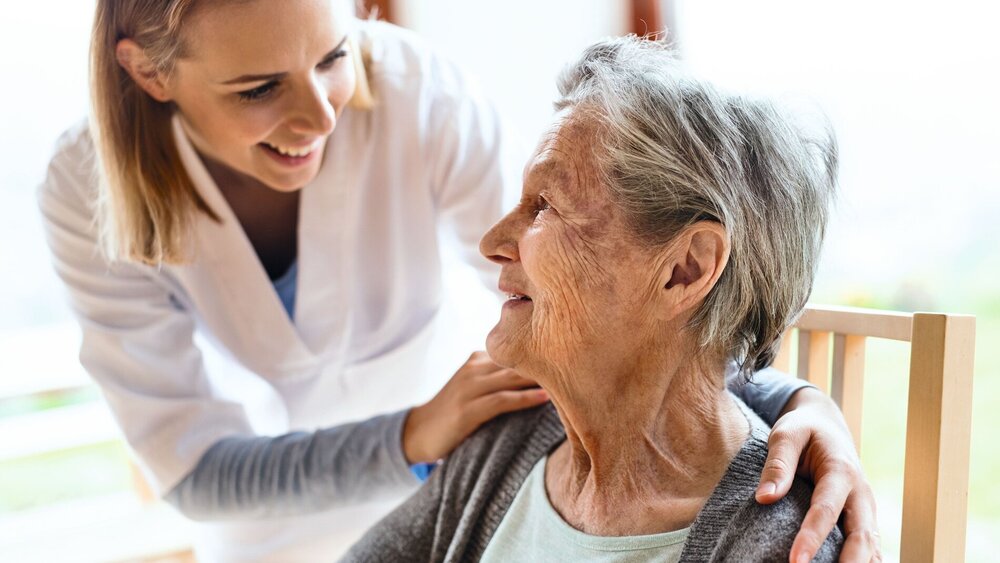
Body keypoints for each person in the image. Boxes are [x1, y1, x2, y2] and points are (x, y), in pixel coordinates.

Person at [37, 1, 878, 561]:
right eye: (259, 88)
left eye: (335, 55)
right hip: (291, 525)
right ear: (151, 74)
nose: (323, 113)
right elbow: (195, 470)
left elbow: (618, 299)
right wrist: (416, 438)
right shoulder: (83, 191)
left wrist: (795, 399)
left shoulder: (414, 93)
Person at [346, 36, 846, 562]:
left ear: (684, 270)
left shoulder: (778, 544)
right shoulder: (507, 441)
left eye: (544, 207)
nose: (492, 242)